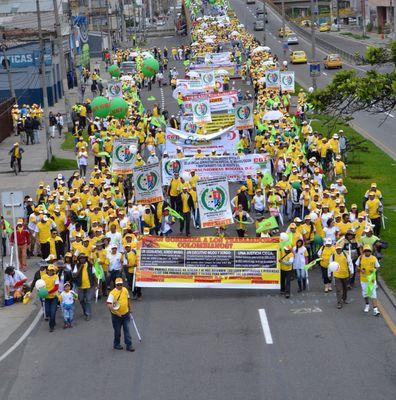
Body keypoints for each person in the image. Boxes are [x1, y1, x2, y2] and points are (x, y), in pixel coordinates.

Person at [106, 277, 135, 351]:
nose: (119, 286)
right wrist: (116, 312)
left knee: (127, 330)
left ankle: (129, 345)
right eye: (118, 284)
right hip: (116, 316)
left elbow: (128, 299)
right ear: (115, 285)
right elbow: (109, 304)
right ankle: (116, 344)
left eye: (121, 284)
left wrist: (130, 308)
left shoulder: (125, 290)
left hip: (126, 313)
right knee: (117, 331)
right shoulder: (112, 293)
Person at [356, 245, 381, 316]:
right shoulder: (361, 258)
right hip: (363, 279)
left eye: (368, 251)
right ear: (364, 252)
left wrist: (374, 270)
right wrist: (360, 269)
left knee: (373, 293)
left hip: (371, 279)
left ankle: (375, 309)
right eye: (366, 251)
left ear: (370, 251)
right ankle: (367, 305)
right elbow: (357, 266)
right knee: (365, 293)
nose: (367, 252)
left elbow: (377, 267)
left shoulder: (374, 258)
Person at [73, 253, 95, 321]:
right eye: (81, 258)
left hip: (89, 286)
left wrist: (97, 284)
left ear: (86, 258)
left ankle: (88, 314)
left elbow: (94, 274)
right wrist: (80, 267)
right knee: (81, 300)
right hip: (80, 286)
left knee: (88, 300)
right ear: (79, 259)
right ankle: (85, 310)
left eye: (83, 258)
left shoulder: (90, 265)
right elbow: (75, 275)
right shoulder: (77, 265)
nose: (82, 259)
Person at [331, 244, 353, 309]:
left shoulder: (346, 255)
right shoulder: (333, 255)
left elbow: (350, 263)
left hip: (345, 274)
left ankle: (344, 299)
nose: (338, 250)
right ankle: (339, 303)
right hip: (337, 275)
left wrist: (351, 271)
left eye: (339, 249)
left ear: (341, 249)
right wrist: (329, 274)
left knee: (345, 288)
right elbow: (330, 265)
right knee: (338, 289)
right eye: (337, 249)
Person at [41, 265, 59, 332]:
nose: (51, 271)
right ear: (47, 270)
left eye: (52, 270)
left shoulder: (56, 276)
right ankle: (53, 321)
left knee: (53, 312)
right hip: (46, 298)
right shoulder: (43, 277)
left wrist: (48, 292)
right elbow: (40, 285)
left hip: (54, 297)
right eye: (50, 270)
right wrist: (41, 292)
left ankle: (51, 326)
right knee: (48, 312)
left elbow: (56, 287)